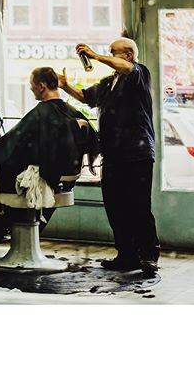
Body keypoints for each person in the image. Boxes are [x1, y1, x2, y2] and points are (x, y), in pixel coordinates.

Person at [58, 38, 160, 277]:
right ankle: (126, 255)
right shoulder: (109, 83)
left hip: (137, 153)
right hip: (113, 154)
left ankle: (148, 256)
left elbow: (124, 68)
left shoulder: (139, 74)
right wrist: (65, 86)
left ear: (128, 56)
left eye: (114, 53)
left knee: (139, 207)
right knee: (115, 207)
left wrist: (94, 56)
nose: (110, 56)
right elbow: (86, 97)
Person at [0, 66, 99, 246]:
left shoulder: (42, 113)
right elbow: (94, 141)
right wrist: (88, 164)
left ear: (41, 86)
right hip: (62, 178)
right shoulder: (72, 112)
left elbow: (10, 145)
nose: (31, 88)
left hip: (45, 175)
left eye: (31, 85)